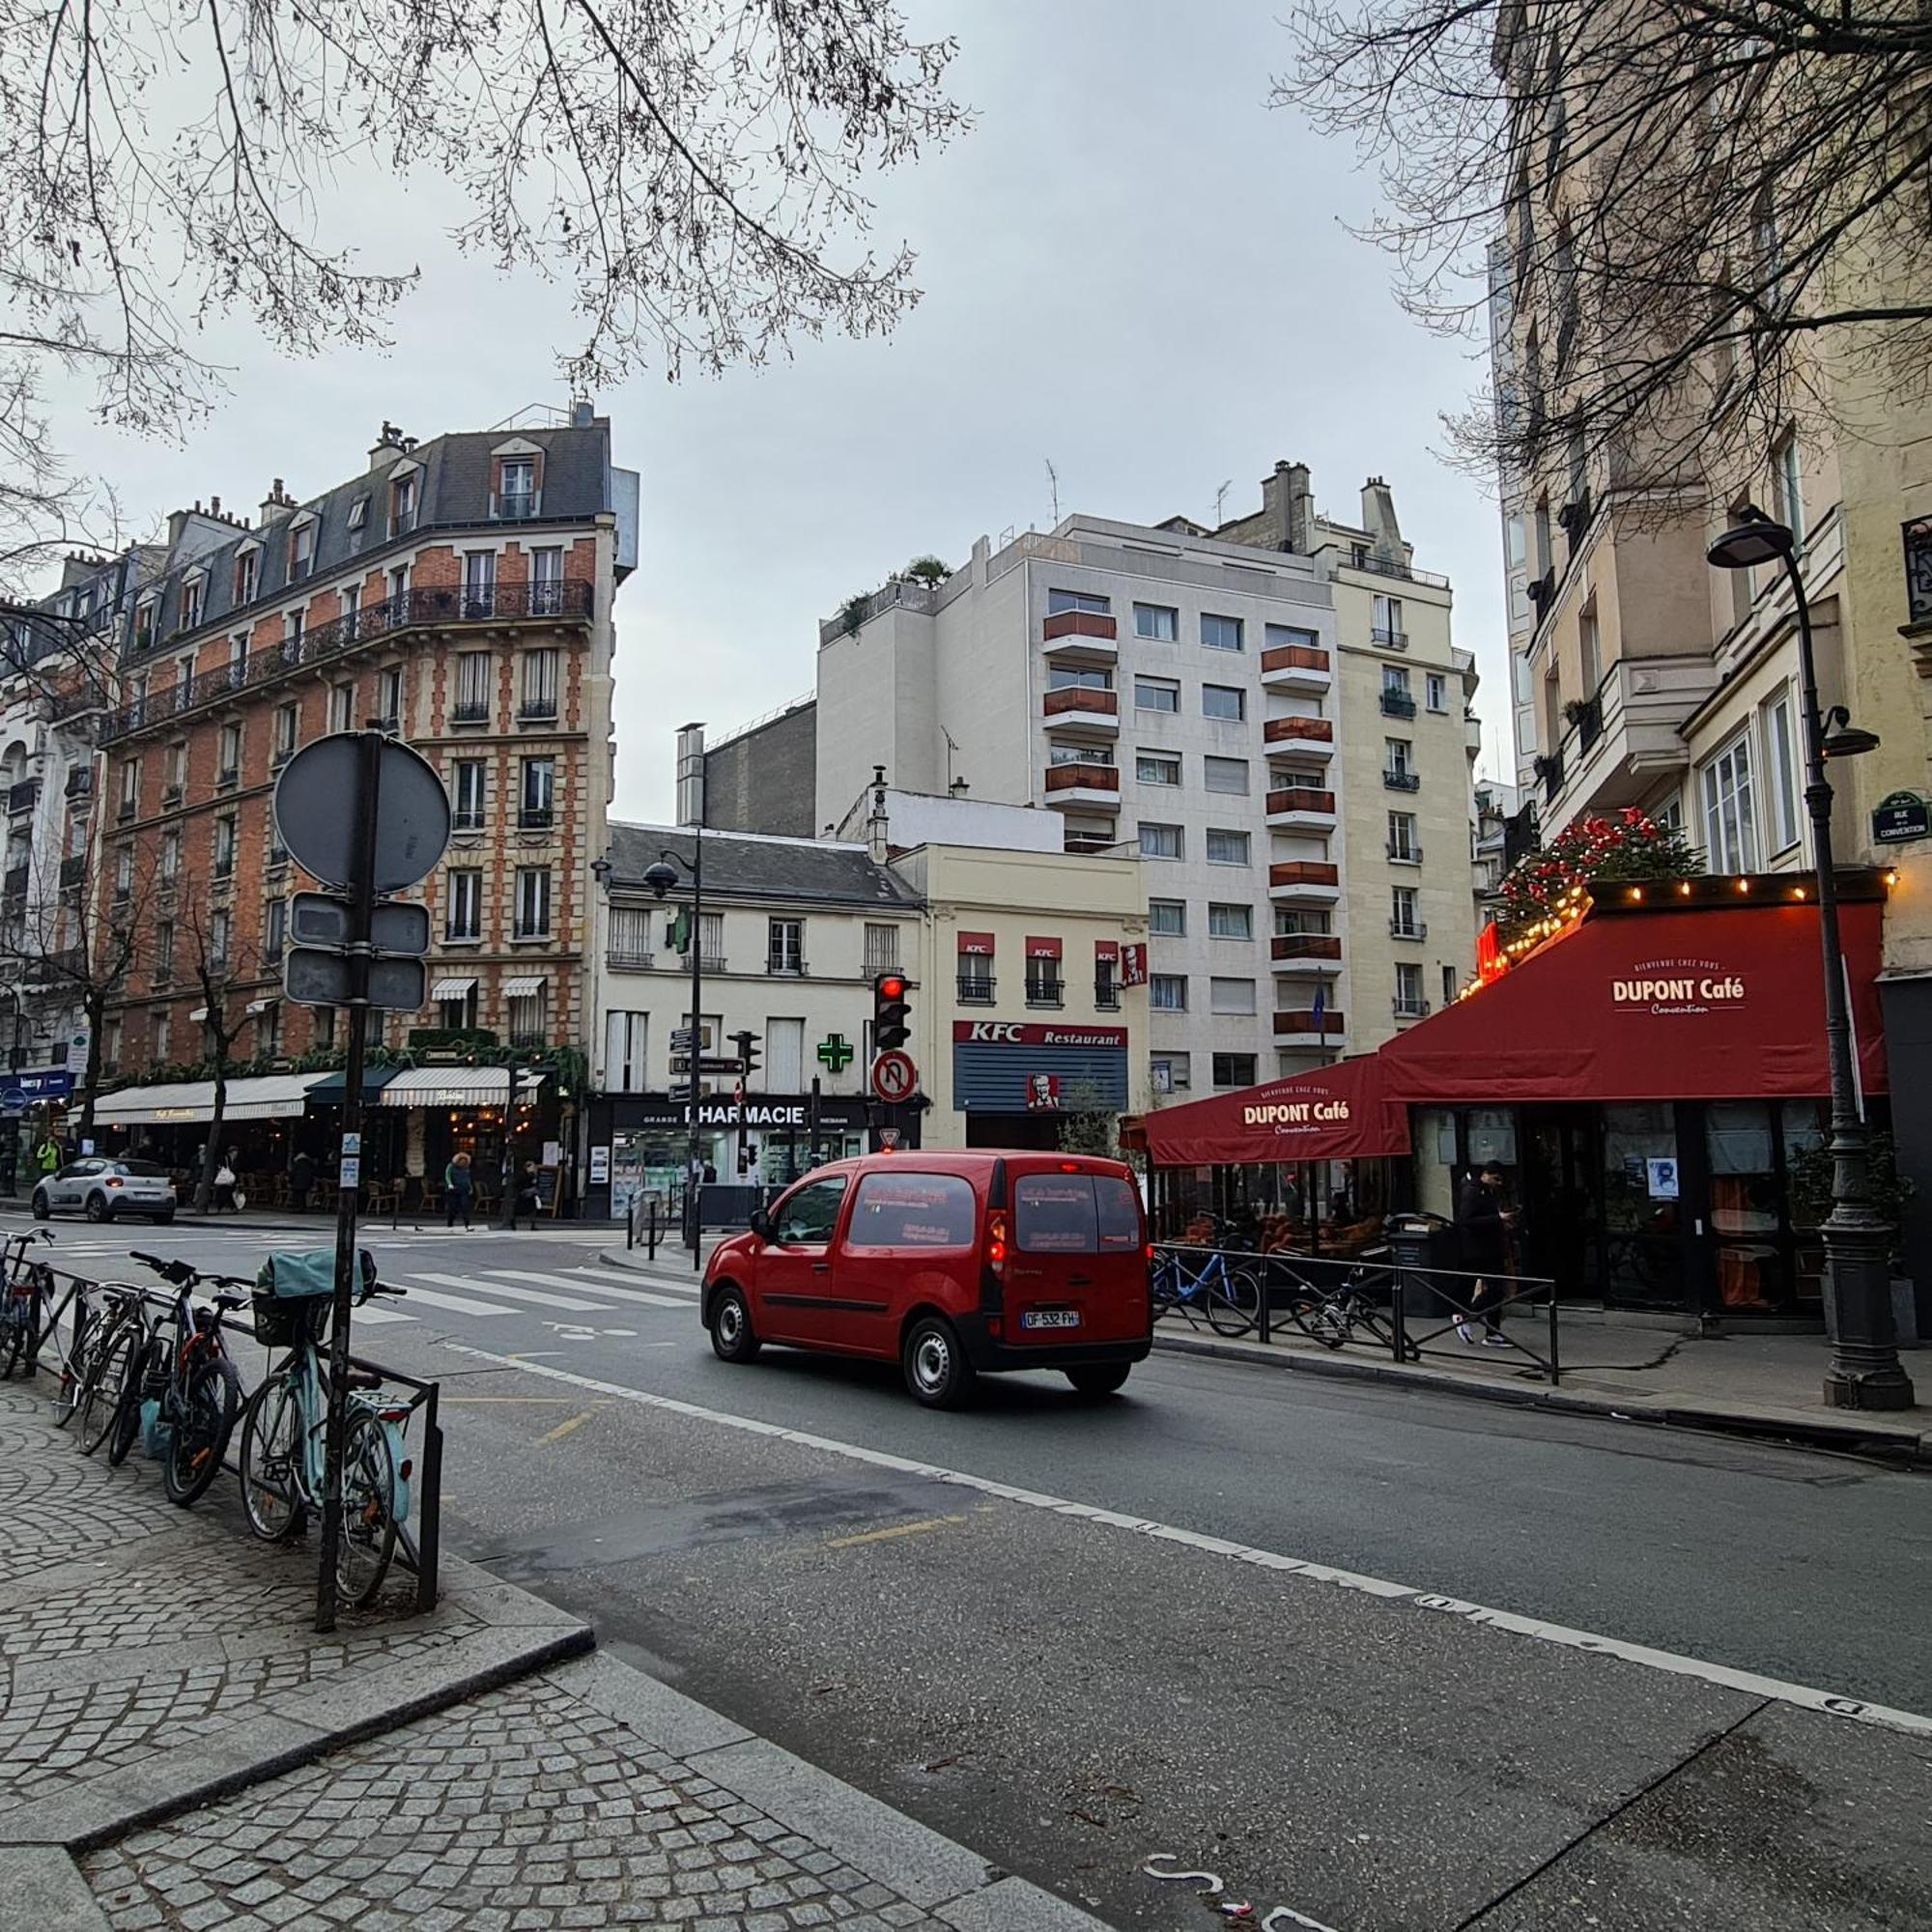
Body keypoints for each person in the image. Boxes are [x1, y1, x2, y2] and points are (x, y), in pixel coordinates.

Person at [1455, 1162, 1514, 1347]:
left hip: (1488, 1247)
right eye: (1496, 1179)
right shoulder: (1473, 1191)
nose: (1498, 1183)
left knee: (1496, 1290)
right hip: (1479, 1249)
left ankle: (1492, 1332)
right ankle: (1466, 1315)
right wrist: (1497, 1218)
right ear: (1486, 1174)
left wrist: (1500, 1222)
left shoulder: (1486, 1192)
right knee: (1495, 1289)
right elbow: (1466, 1219)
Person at [444, 1151, 474, 1229]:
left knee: (465, 1207)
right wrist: (450, 1184)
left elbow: (468, 1179)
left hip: (464, 1190)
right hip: (454, 1190)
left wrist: (470, 1187)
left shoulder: (466, 1168)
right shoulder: (451, 1166)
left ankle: (467, 1224)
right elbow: (447, 1175)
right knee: (453, 1208)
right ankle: (450, 1223)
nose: (463, 1163)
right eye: (461, 1161)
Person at [514, 1159, 542, 1231]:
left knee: (532, 1209)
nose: (532, 1169)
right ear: (527, 1167)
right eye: (531, 1167)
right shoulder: (522, 1175)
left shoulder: (532, 1175)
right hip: (522, 1195)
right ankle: (513, 1222)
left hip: (530, 1195)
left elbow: (534, 1184)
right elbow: (518, 1184)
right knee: (518, 1211)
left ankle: (533, 1224)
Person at [289, 1148, 316, 1213]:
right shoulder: (309, 1164)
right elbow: (311, 1173)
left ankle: (297, 1207)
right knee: (303, 1195)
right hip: (305, 1182)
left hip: (297, 1182)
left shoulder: (297, 1164)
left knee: (297, 1195)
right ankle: (302, 1207)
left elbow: (293, 1173)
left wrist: (290, 1180)